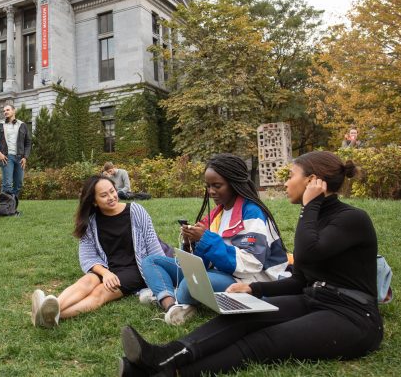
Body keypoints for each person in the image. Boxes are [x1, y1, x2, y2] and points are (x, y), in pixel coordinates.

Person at [118, 151, 382, 377]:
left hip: (353, 316)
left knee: (264, 341)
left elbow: (309, 251)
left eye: (291, 175)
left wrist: (309, 206)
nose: (286, 182)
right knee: (244, 317)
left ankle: (167, 372)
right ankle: (164, 355)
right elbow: (300, 278)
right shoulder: (314, 219)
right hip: (312, 299)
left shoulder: (352, 219)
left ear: (312, 181)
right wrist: (252, 291)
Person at [140, 154, 289, 325]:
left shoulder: (252, 212)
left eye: (217, 186)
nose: (211, 191)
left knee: (190, 284)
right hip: (221, 272)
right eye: (208, 186)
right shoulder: (218, 212)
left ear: (234, 184)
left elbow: (251, 263)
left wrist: (205, 238)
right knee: (152, 262)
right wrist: (191, 242)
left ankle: (165, 296)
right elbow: (206, 261)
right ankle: (172, 304)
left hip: (250, 280)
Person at [30, 175, 167, 328]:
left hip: (135, 269)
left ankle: (52, 316)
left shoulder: (136, 211)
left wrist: (164, 275)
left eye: (112, 191)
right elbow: (87, 257)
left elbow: (154, 248)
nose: (111, 197)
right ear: (94, 201)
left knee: (100, 293)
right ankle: (48, 309)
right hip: (107, 268)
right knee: (86, 281)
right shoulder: (91, 222)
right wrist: (105, 273)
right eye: (104, 195)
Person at [0, 104, 32, 199]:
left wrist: (25, 157)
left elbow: (28, 143)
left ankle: (12, 206)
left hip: (20, 158)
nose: (5, 112)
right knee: (7, 184)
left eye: (8, 110)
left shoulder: (22, 125)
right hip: (6, 157)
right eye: (4, 110)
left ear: (14, 111)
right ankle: (4, 207)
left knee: (18, 184)